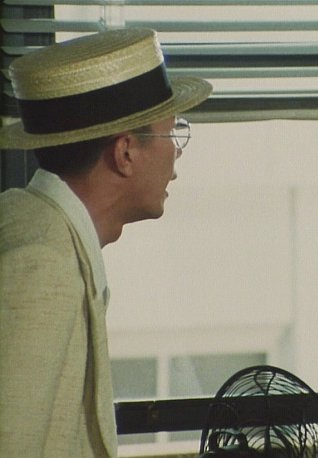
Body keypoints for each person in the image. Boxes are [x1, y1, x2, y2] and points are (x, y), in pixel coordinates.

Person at [0, 28, 211, 457]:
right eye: (172, 133)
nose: (177, 153)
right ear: (126, 152)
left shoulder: (37, 226)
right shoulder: (42, 266)